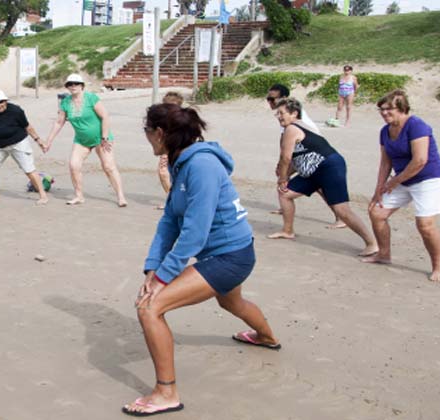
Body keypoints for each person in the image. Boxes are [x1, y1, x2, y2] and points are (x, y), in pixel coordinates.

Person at [123, 103, 280, 416]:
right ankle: (266, 337)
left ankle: (166, 392)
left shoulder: (202, 165)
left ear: (159, 133)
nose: (146, 138)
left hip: (231, 255)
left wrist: (163, 278)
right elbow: (170, 219)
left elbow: (194, 232)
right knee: (231, 302)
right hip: (222, 254)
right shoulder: (179, 161)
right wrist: (153, 266)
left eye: (146, 131)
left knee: (149, 307)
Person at [269, 98, 378, 256]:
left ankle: (372, 243)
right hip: (313, 171)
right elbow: (300, 157)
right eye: (276, 113)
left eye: (281, 113)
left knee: (342, 209)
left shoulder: (291, 129)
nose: (279, 116)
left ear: (294, 113)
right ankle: (287, 231)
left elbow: (286, 158)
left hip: (329, 167)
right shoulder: (297, 128)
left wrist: (283, 178)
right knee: (285, 193)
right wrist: (287, 174)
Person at [362, 90, 440, 282]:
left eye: (388, 109)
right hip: (402, 179)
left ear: (402, 108)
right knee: (376, 212)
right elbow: (385, 162)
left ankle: (438, 267)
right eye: (381, 110)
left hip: (428, 178)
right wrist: (379, 188)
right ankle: (384, 254)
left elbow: (420, 160)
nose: (384, 113)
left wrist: (393, 182)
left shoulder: (417, 126)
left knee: (425, 225)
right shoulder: (385, 131)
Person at [266, 84, 345, 229]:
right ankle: (285, 206)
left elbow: (289, 147)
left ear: (284, 98)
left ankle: (340, 216)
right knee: (286, 178)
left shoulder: (290, 114)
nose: (270, 102)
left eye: (273, 99)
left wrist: (283, 169)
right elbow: (284, 143)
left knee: (315, 185)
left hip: (312, 153)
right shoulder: (284, 115)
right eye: (268, 99)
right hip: (301, 152)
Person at [43, 74, 127, 207]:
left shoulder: (91, 98)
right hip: (82, 140)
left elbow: (105, 116)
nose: (73, 86)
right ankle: (79, 196)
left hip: (101, 138)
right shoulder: (65, 102)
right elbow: (59, 122)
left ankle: (121, 197)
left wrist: (105, 137)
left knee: (109, 167)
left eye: (76, 83)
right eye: (70, 84)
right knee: (73, 165)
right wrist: (49, 141)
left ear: (81, 86)